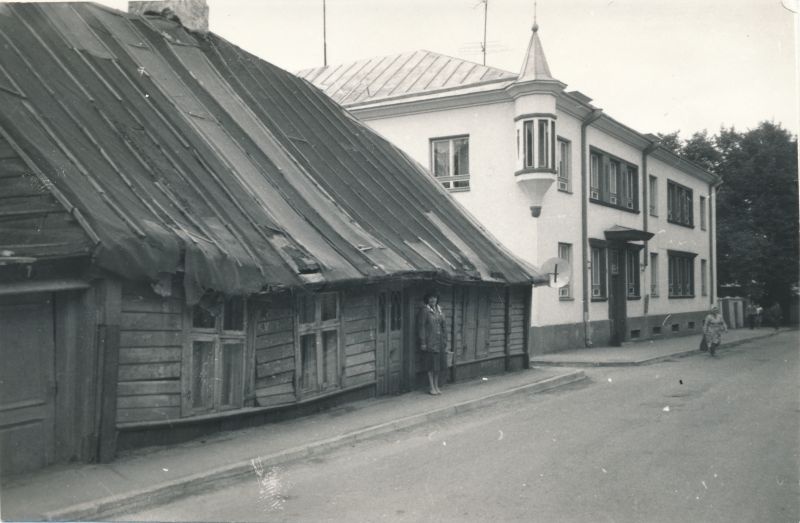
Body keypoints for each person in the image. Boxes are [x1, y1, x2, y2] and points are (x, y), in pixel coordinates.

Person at [416, 291, 448, 395]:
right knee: (431, 365)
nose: (433, 300)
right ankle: (431, 387)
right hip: (430, 342)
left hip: (440, 342)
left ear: (437, 299)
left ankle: (436, 386)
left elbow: (444, 326)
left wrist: (445, 340)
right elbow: (421, 327)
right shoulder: (425, 311)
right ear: (427, 300)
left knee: (438, 366)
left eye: (434, 298)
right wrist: (423, 342)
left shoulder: (440, 310)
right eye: (430, 298)